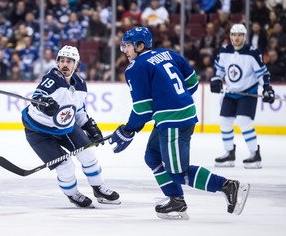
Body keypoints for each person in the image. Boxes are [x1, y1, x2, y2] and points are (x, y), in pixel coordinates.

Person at [108, 26, 249, 220]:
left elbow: (143, 109)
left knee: (178, 173)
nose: (124, 50)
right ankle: (176, 200)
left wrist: (128, 130)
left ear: (140, 46)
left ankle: (228, 186)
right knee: (153, 156)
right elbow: (192, 83)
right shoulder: (168, 54)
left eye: (127, 46)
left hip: (173, 121)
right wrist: (173, 100)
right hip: (175, 116)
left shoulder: (136, 67)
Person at [21, 45, 120, 208]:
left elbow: (79, 110)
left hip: (65, 126)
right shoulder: (52, 79)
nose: (65, 64)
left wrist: (90, 126)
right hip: (38, 130)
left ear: (76, 64)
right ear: (57, 63)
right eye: (62, 61)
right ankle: (73, 194)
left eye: (69, 61)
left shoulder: (80, 85)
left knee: (88, 155)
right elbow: (38, 97)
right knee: (66, 166)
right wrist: (44, 104)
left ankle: (98, 187)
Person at [210, 24, 275, 169]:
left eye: (239, 35)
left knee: (243, 122)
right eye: (233, 34)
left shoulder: (252, 53)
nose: (236, 37)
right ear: (230, 36)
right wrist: (216, 80)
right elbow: (219, 70)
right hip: (231, 93)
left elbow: (262, 73)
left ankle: (254, 153)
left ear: (244, 37)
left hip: (248, 92)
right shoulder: (224, 51)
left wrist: (267, 88)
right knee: (224, 121)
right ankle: (229, 152)